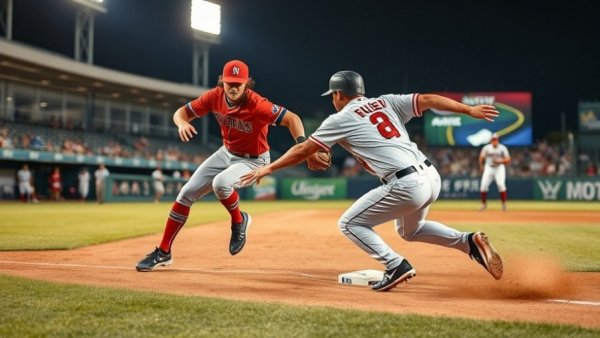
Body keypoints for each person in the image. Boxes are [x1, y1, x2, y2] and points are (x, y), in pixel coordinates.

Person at [241, 70, 504, 291]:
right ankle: (467, 241)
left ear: (339, 95)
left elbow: (303, 149)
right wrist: (468, 109)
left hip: (406, 183)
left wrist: (268, 169)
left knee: (350, 223)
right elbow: (428, 99)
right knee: (410, 231)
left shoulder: (340, 118)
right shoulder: (386, 101)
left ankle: (395, 265)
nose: (333, 100)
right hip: (431, 176)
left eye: (333, 95)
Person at [135, 59, 328, 272]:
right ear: (222, 82)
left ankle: (238, 221)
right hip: (225, 152)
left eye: (238, 83)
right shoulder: (214, 96)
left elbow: (292, 118)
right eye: (230, 83)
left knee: (221, 184)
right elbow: (180, 113)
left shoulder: (257, 104)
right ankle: (163, 252)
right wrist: (182, 123)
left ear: (247, 84)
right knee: (186, 193)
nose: (233, 87)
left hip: (254, 159)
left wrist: (303, 146)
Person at [479, 133, 511, 211]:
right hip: (488, 167)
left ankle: (504, 205)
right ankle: (484, 205)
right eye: (493, 139)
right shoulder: (486, 148)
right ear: (491, 140)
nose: (494, 141)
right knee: (483, 186)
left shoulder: (502, 148)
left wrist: (500, 161)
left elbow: (508, 159)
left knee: (501, 185)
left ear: (498, 140)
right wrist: (481, 166)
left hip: (499, 168)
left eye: (495, 139)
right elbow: (481, 157)